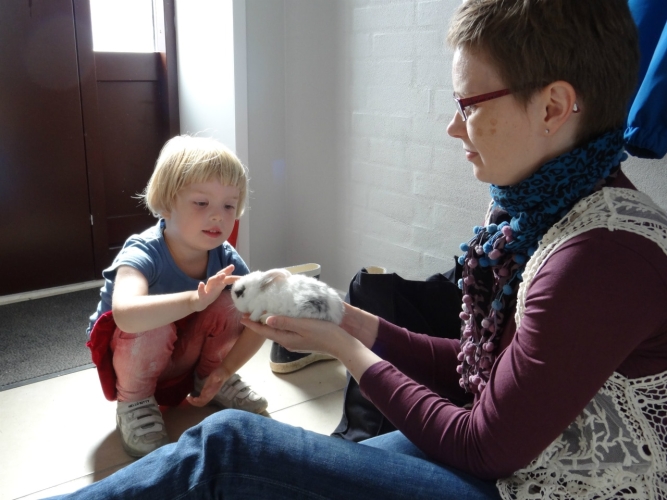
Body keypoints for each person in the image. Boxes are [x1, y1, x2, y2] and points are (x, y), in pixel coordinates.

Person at [49, 0, 667, 498]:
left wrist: (343, 346)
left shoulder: (599, 258)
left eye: (468, 105)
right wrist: (343, 315)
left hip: (527, 481)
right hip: (515, 457)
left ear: (553, 107)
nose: (453, 126)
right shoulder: (543, 212)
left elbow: (483, 445)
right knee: (317, 461)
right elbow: (479, 372)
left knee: (228, 448)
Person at [85, 135, 268, 458]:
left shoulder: (224, 256)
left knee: (236, 303)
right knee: (151, 316)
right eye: (202, 203)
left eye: (228, 205)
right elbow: (126, 314)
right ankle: (135, 402)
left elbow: (259, 319)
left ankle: (207, 380)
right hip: (132, 357)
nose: (218, 216)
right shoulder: (143, 251)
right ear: (168, 203)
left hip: (184, 355)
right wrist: (194, 301)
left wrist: (224, 371)